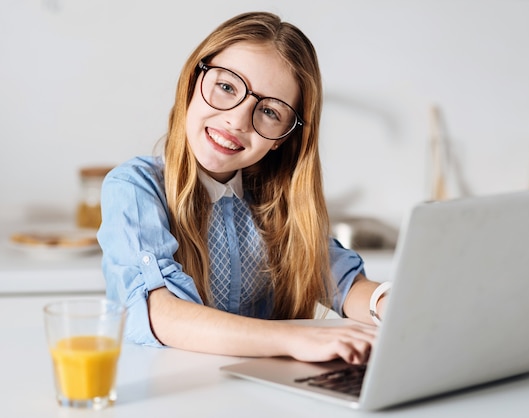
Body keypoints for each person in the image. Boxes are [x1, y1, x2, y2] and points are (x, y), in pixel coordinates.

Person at [97, 11, 390, 365]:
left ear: (283, 138)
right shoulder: (135, 187)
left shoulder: (275, 202)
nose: (236, 121)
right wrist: (293, 338)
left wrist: (390, 304)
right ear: (193, 81)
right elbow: (161, 313)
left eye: (269, 111)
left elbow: (341, 282)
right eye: (226, 87)